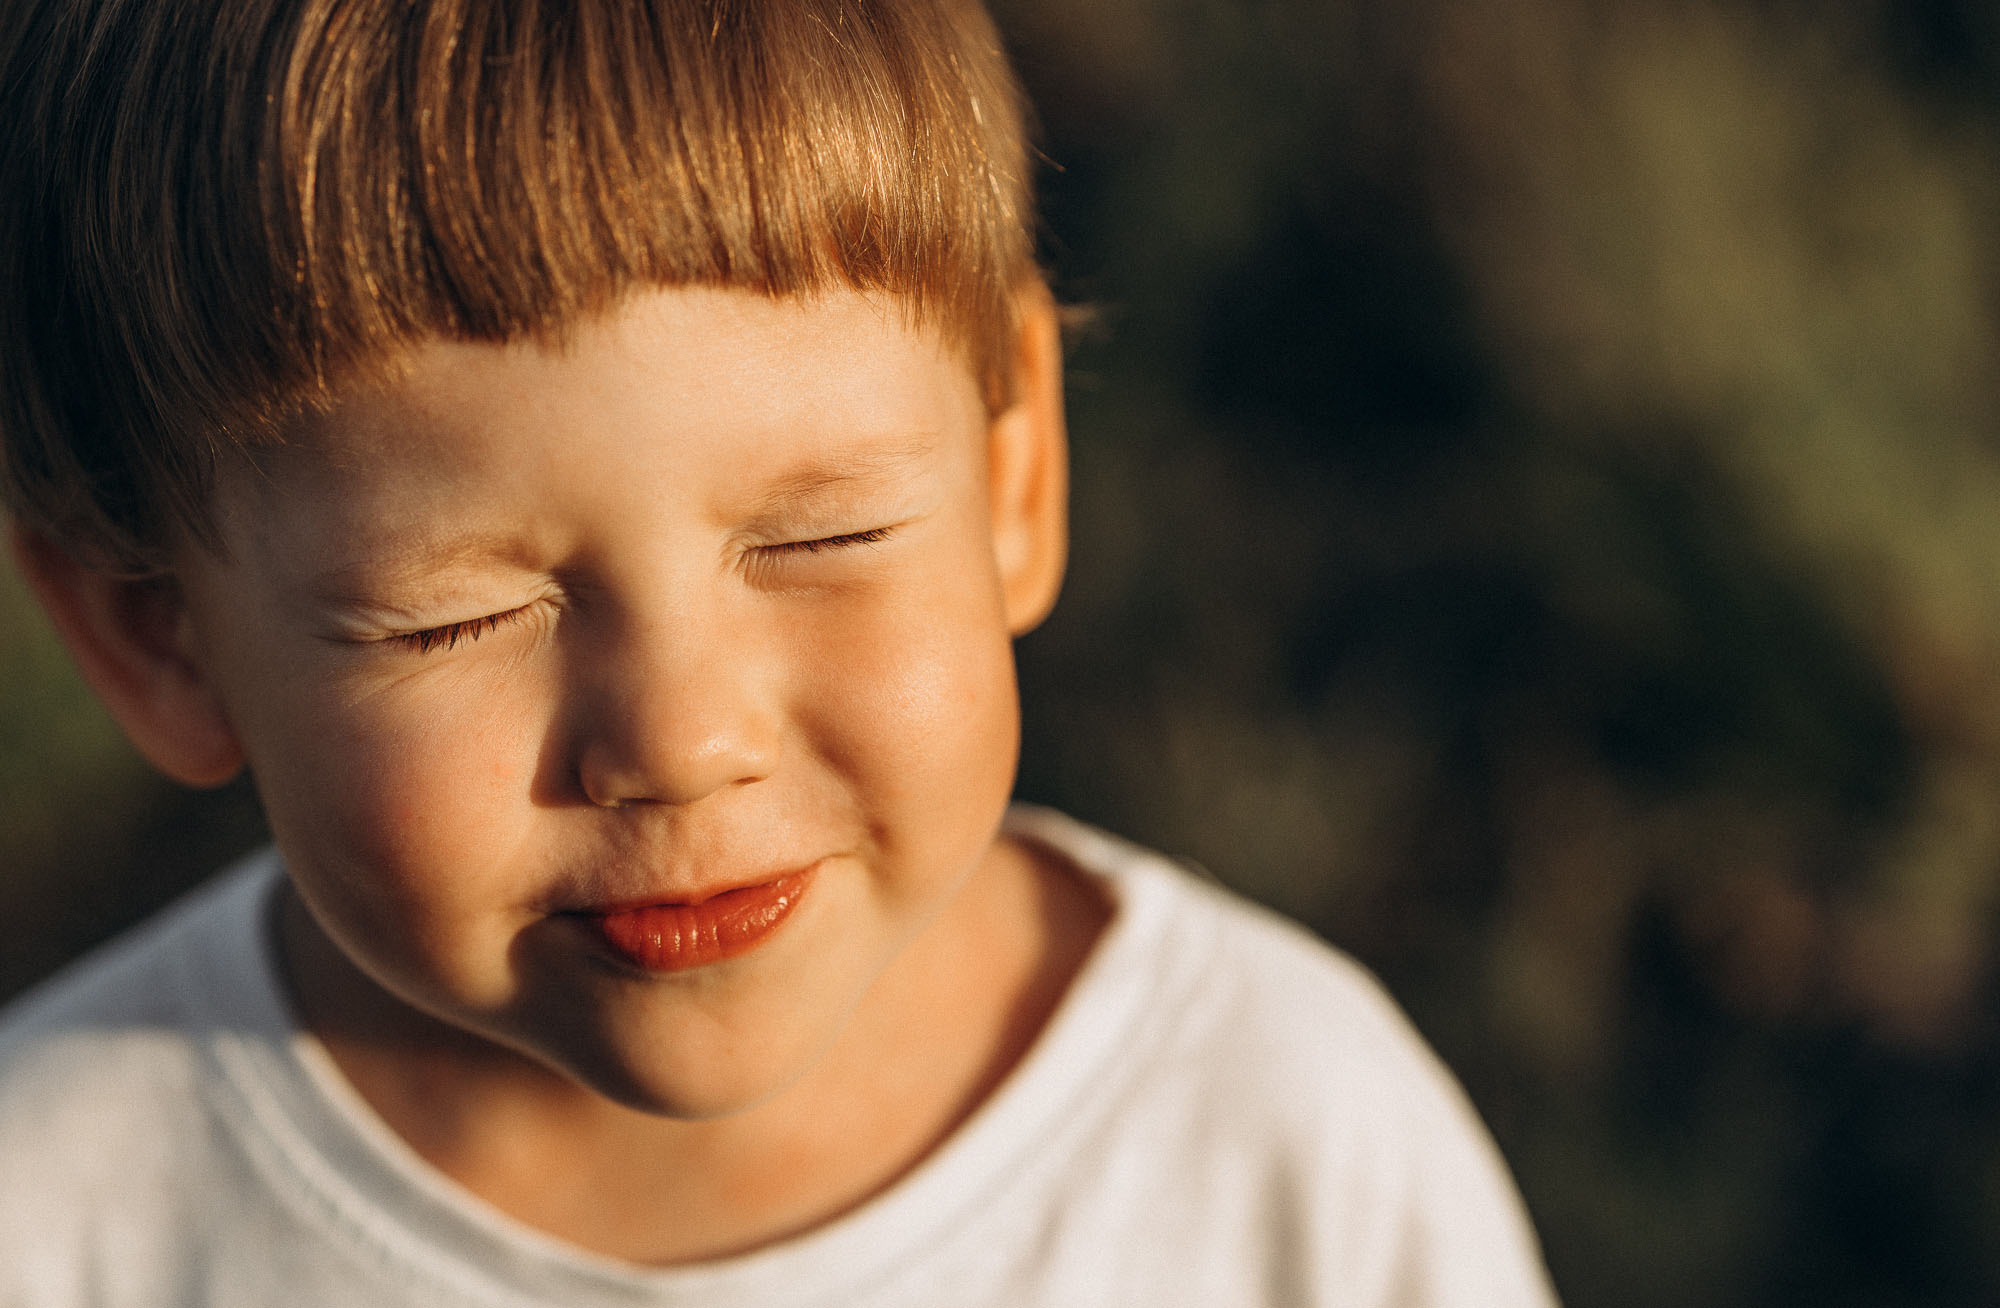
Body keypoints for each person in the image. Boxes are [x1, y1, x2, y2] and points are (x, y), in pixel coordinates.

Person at [0, 0, 1559, 1303]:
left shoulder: (1289, 1154)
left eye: (818, 540)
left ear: (1011, 470)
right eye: (456, 614)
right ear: (160, 638)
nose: (680, 738)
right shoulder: (63, 1211)